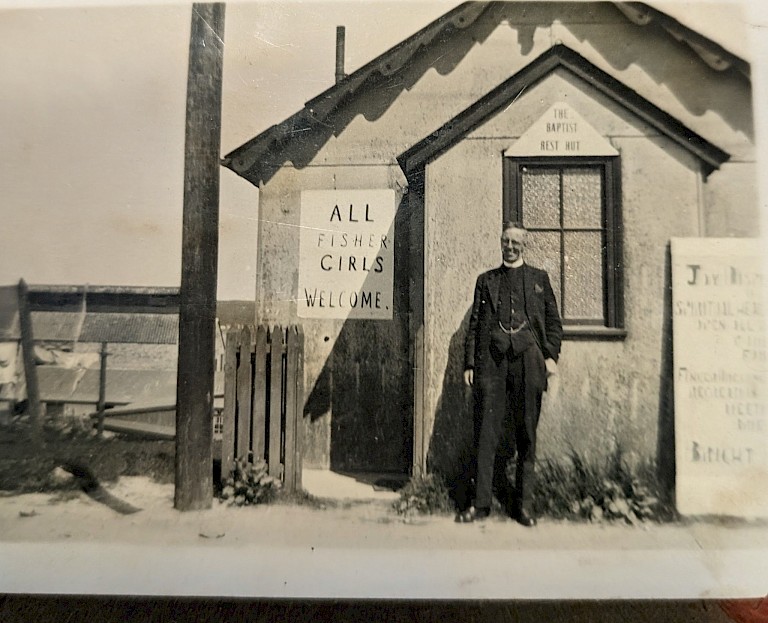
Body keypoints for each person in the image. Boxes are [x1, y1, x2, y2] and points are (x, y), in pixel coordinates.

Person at [458, 221, 562, 526]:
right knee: (486, 433)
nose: (510, 246)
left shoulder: (538, 279)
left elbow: (554, 325)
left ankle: (523, 506)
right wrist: (469, 364)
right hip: (492, 363)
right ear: (500, 243)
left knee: (527, 434)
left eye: (516, 242)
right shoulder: (486, 281)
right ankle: (481, 505)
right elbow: (475, 325)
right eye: (506, 241)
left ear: (524, 245)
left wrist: (550, 358)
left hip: (528, 362)